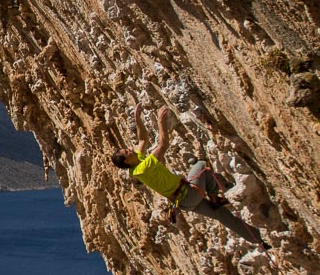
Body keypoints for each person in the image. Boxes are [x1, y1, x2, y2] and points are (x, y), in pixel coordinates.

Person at [111, 103, 268, 249]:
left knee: (220, 214)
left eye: (127, 149)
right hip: (188, 193)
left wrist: (137, 118)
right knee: (201, 166)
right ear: (126, 161)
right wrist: (161, 121)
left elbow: (142, 139)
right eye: (127, 153)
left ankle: (258, 240)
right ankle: (223, 194)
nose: (130, 150)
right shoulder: (142, 169)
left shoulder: (136, 162)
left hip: (184, 202)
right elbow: (163, 145)